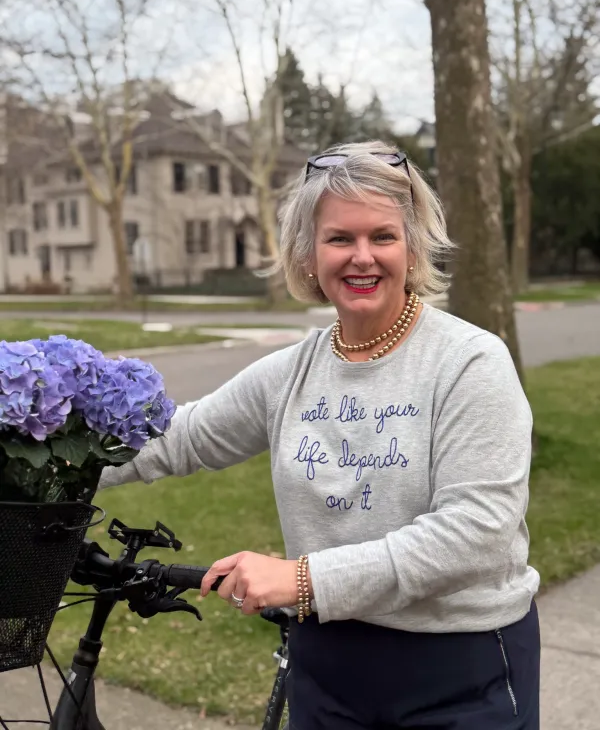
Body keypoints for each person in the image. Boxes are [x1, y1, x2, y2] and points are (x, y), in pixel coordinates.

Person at [99, 141, 540, 729]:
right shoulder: (291, 373)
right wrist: (48, 461)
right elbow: (180, 437)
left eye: (382, 236)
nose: (363, 258)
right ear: (308, 255)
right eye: (340, 239)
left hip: (460, 666)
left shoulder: (469, 362)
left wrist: (303, 579)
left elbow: (475, 532)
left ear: (412, 247)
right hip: (327, 663)